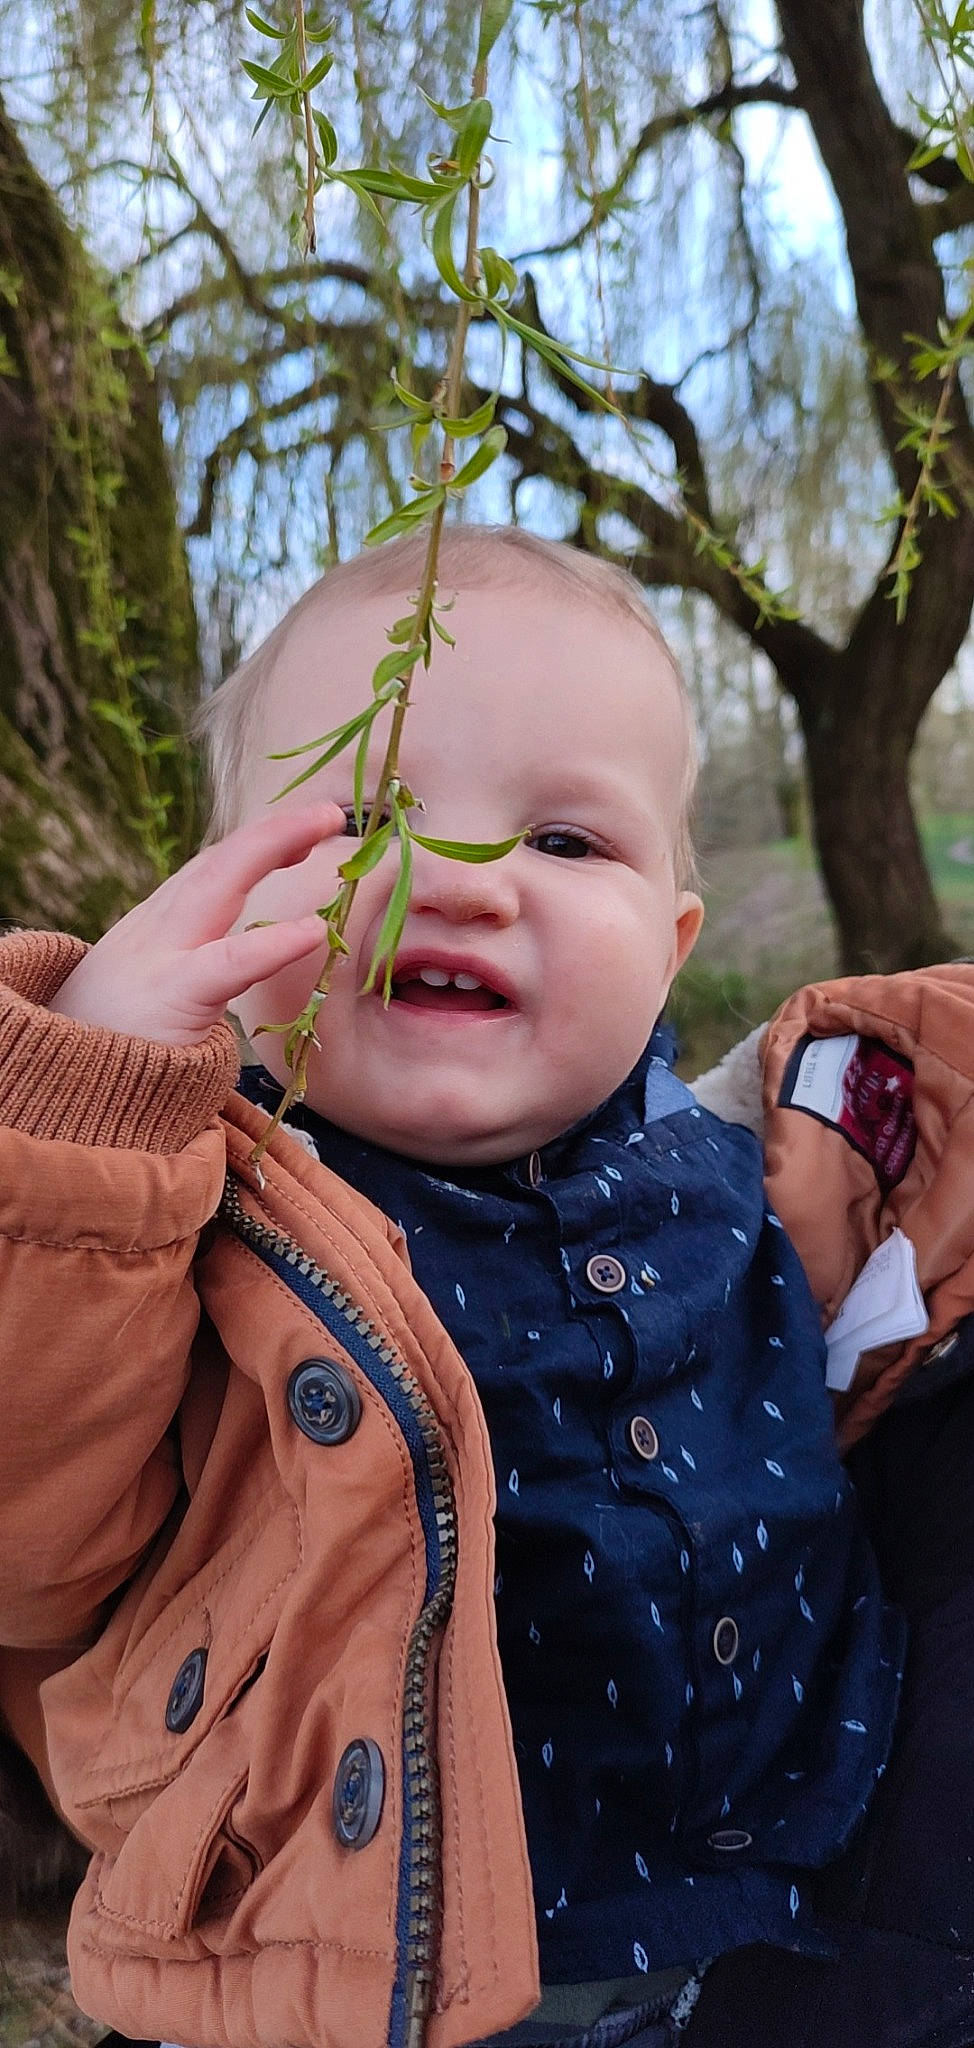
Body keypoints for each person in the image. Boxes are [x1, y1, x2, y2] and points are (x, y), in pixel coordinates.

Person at [0, 526, 962, 2048]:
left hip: (790, 1920)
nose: (458, 882)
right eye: (365, 820)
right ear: (219, 916)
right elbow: (27, 1528)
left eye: (567, 844)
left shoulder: (760, 1165)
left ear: (669, 947)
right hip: (349, 1979)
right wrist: (88, 1116)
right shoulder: (179, 1229)